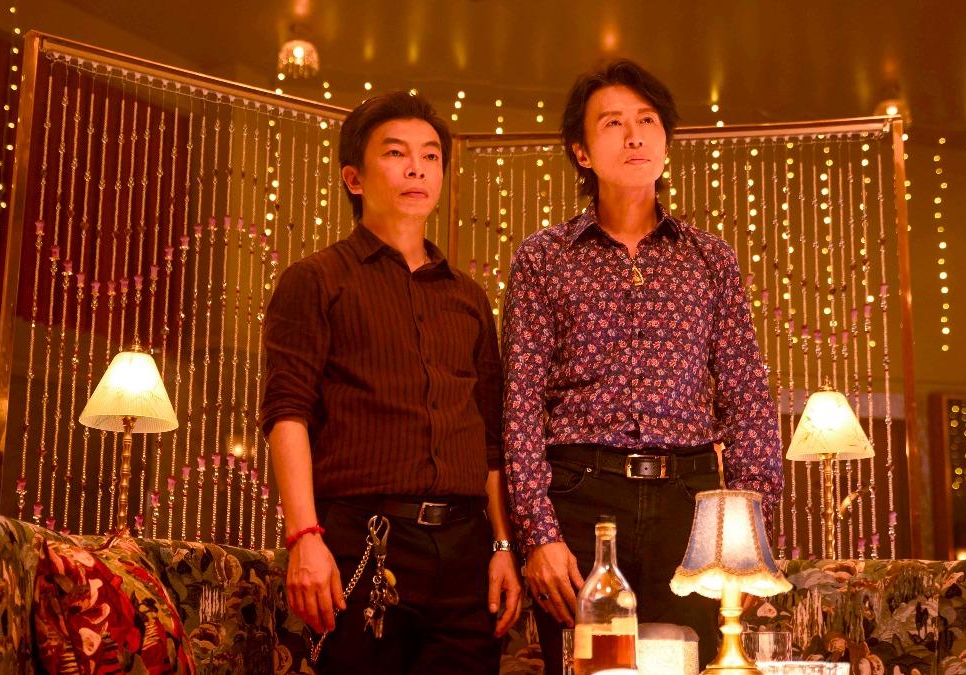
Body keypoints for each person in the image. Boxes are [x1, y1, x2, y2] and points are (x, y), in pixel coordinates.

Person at [502, 59, 784, 674]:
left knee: (694, 663)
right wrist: (539, 534)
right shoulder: (543, 257)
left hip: (690, 501)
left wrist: (752, 527)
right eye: (612, 123)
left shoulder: (710, 258)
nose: (634, 136)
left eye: (647, 120)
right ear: (581, 152)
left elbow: (746, 396)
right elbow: (520, 405)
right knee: (587, 669)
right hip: (580, 494)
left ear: (665, 140)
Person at [261, 91, 521, 675]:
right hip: (363, 538)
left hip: (466, 549)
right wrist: (304, 536)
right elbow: (286, 412)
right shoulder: (316, 280)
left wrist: (503, 546)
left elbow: (490, 439)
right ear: (354, 178)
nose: (416, 169)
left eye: (430, 156)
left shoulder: (468, 297)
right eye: (396, 153)